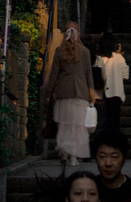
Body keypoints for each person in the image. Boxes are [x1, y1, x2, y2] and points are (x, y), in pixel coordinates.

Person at [47, 20, 95, 165]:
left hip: (64, 92)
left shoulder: (59, 51)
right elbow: (88, 74)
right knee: (77, 126)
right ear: (78, 34)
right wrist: (91, 92)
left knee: (65, 125)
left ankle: (65, 153)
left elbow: (54, 74)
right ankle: (74, 156)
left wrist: (48, 93)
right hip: (80, 93)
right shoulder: (85, 52)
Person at [93, 36, 129, 134]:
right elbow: (125, 75)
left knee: (102, 122)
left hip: (102, 94)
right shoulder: (119, 58)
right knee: (114, 122)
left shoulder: (98, 59)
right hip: (116, 93)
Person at [93, 132, 131, 202]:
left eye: (114, 157)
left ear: (124, 160)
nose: (108, 163)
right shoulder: (90, 190)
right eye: (103, 156)